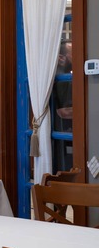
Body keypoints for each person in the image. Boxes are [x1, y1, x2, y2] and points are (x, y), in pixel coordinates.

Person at [52, 39, 73, 173]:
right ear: (61, 58)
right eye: (73, 53)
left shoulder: (63, 76)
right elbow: (64, 112)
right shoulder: (62, 79)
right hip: (62, 132)